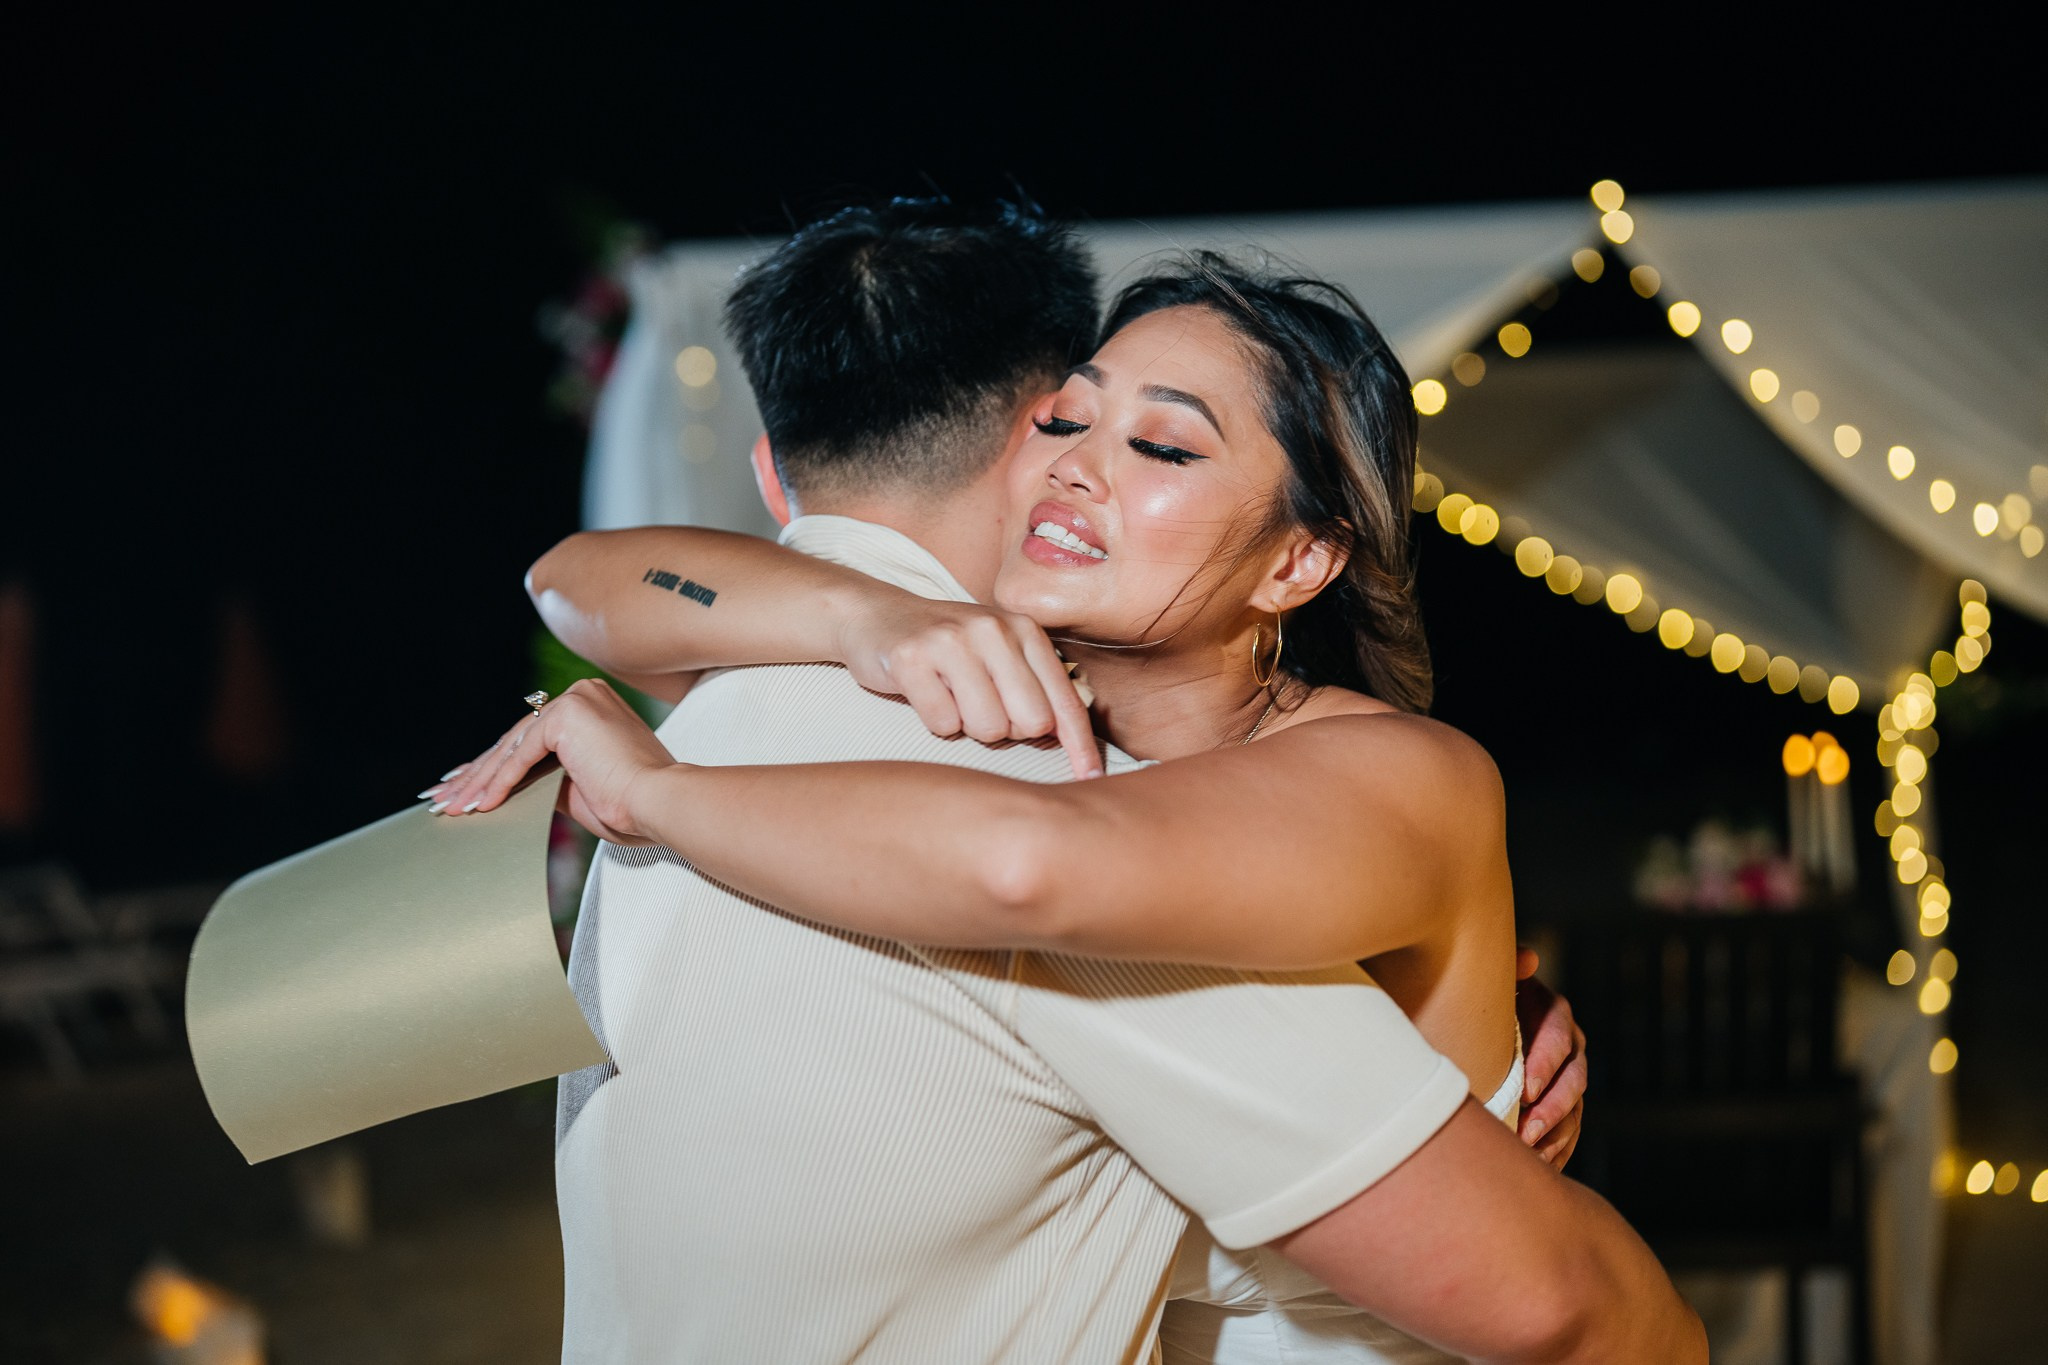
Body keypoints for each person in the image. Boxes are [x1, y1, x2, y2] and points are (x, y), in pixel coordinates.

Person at [434, 199, 1699, 1362]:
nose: (1076, 465)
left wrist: (655, 793)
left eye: (1161, 445)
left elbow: (1029, 861)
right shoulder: (1022, 698)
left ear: (1297, 565)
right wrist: (861, 615)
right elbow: (585, 577)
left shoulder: (1390, 769)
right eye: (1066, 419)